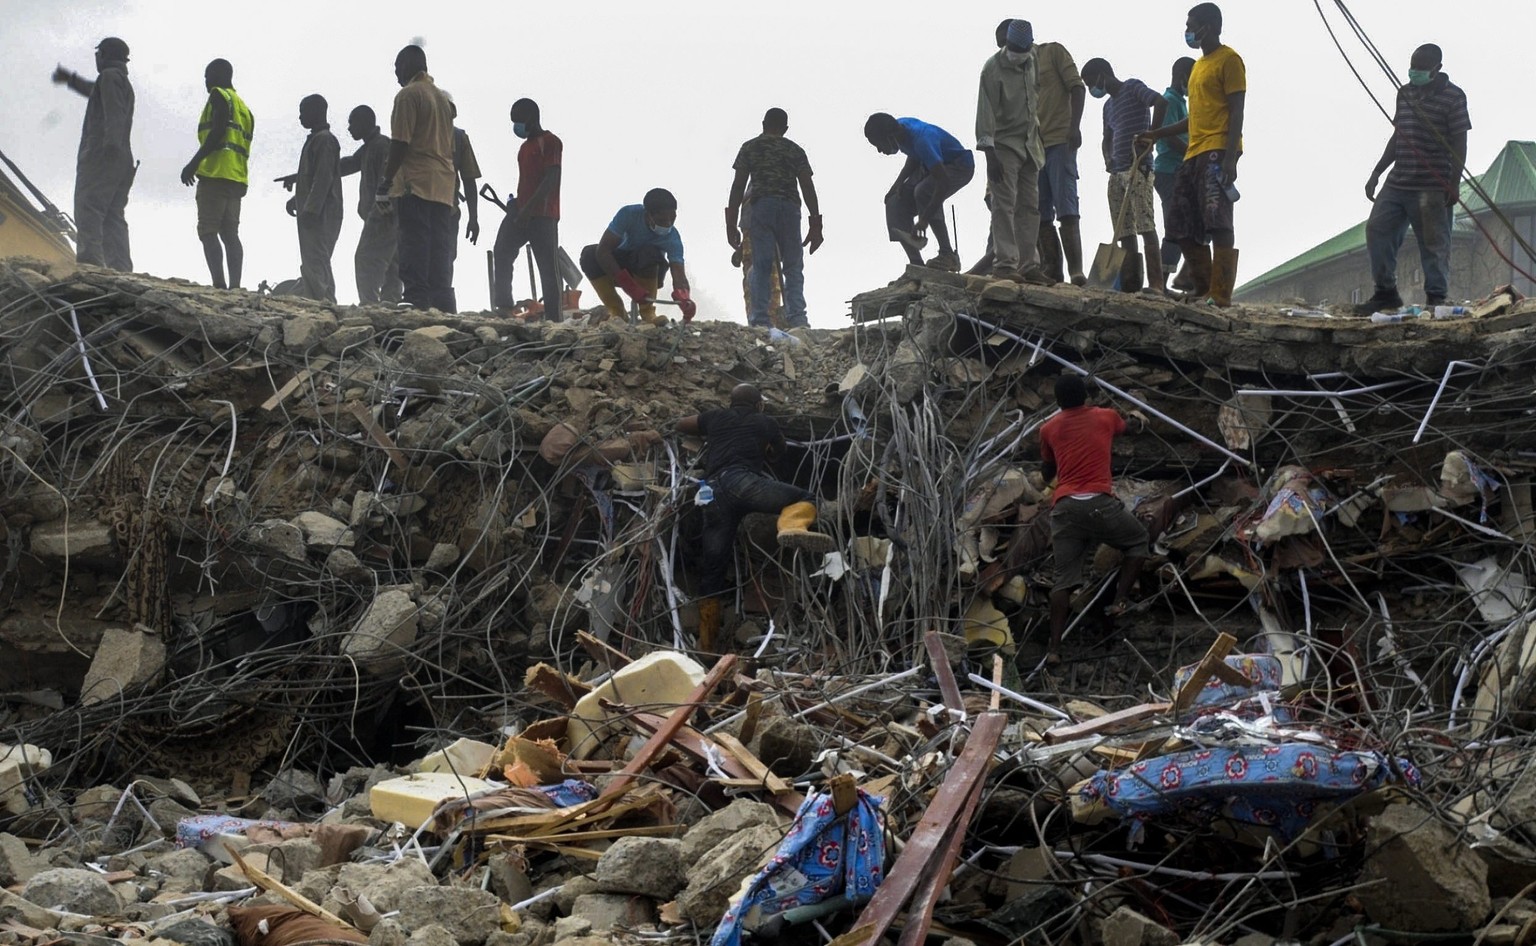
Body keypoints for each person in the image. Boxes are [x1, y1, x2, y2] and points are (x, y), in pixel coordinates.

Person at [675, 383, 834, 650]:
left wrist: (711, 433)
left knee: (712, 569)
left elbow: (682, 424)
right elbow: (778, 452)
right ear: (759, 404)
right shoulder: (765, 421)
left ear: (730, 402)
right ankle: (791, 527)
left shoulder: (715, 417)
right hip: (743, 483)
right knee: (805, 497)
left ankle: (706, 645)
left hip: (710, 492)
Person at [1139, 3, 1246, 306]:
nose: (1188, 30)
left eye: (1191, 24)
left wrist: (1230, 157)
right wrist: (1156, 134)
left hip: (1216, 151)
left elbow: (1237, 109)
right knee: (1179, 224)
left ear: (1208, 26)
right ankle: (1203, 286)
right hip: (1192, 154)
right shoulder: (1198, 67)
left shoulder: (1230, 60)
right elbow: (1194, 119)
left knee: (1218, 221)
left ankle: (1221, 294)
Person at [1038, 374, 1149, 663]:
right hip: (1100, 503)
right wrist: (1139, 417)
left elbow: (1047, 471)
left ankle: (1053, 649)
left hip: (1064, 508)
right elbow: (1130, 428)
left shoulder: (1048, 428)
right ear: (1086, 396)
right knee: (1138, 541)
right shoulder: (1106, 417)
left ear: (1058, 401)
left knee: (1063, 581)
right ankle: (1119, 601)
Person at [1356, 44, 1470, 315]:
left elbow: (1459, 143)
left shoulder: (1453, 97)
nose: (1414, 72)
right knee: (1377, 230)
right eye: (1413, 66)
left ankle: (1436, 299)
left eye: (1421, 68)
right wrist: (1377, 171)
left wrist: (1453, 183)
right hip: (1398, 182)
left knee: (1433, 243)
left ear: (1436, 69)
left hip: (1432, 185)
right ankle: (1386, 293)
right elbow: (1399, 136)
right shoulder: (1405, 93)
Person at [726, 107, 823, 327]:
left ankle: (760, 319)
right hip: (790, 208)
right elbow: (808, 186)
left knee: (762, 264)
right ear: (786, 128)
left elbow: (738, 186)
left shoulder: (750, 147)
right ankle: (798, 318)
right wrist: (816, 223)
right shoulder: (794, 150)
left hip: (762, 207)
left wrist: (731, 223)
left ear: (763, 124)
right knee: (793, 265)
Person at [379, 45, 456, 312]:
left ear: (409, 66)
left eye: (397, 68)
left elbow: (400, 142)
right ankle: (442, 302)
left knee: (414, 242)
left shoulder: (408, 95)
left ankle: (415, 299)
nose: (396, 74)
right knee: (438, 247)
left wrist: (386, 180)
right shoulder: (443, 99)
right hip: (443, 185)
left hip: (417, 182)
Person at [1080, 58, 1167, 293]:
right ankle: (1131, 284)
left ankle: (1157, 284)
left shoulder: (1132, 86)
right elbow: (1106, 138)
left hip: (1139, 167)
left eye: (1091, 83)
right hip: (1117, 172)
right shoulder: (1107, 107)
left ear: (1103, 75)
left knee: (1145, 224)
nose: (1092, 90)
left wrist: (1151, 137)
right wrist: (1107, 158)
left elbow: (1160, 102)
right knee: (1124, 230)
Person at [976, 19, 1050, 285]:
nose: (1020, 53)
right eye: (1015, 48)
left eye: (1024, 48)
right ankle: (1006, 264)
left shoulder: (1032, 60)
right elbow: (985, 115)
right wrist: (989, 156)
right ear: (1007, 44)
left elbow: (1035, 98)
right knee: (1003, 205)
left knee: (1030, 207)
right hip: (1003, 146)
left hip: (1030, 145)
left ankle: (1029, 265)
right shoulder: (992, 69)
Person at [52, 38, 136, 272]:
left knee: (88, 206)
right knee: (112, 215)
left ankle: (90, 264)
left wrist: (109, 147)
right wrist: (71, 80)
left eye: (98, 53)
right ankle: (120, 269)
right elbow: (97, 93)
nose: (96, 58)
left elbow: (113, 112)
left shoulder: (109, 77)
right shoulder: (120, 81)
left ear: (106, 54)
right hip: (122, 158)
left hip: (104, 154)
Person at [863, 113, 975, 272]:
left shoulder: (922, 139)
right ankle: (917, 265)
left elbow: (942, 182)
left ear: (889, 137)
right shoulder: (900, 130)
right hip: (930, 165)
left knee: (924, 191)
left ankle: (947, 255)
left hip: (959, 165)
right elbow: (914, 156)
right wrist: (897, 184)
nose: (880, 150)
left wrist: (924, 219)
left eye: (879, 145)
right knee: (894, 201)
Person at [179, 58, 253, 290]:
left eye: (207, 76)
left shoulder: (219, 95)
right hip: (237, 177)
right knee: (230, 233)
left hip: (215, 174)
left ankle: (219, 285)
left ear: (219, 75)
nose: (206, 82)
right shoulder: (243, 107)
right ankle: (235, 286)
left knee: (208, 230)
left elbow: (218, 132)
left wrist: (193, 163)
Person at [491, 98, 563, 322]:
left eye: (519, 121)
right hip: (520, 212)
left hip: (543, 216)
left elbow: (552, 177)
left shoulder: (551, 142)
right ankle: (504, 306)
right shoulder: (524, 148)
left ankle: (553, 320)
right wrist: (518, 207)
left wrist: (529, 208)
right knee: (502, 251)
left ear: (531, 118)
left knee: (547, 268)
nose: (516, 126)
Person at [579, 188, 695, 325]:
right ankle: (617, 313)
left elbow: (679, 275)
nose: (668, 224)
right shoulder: (629, 214)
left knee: (648, 252)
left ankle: (648, 314)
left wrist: (685, 299)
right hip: (617, 269)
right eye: (662, 220)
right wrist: (629, 286)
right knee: (589, 255)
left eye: (672, 218)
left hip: (649, 271)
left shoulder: (673, 238)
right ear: (648, 214)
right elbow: (603, 251)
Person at [1033, 31, 1087, 286]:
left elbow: (1077, 87)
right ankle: (1053, 269)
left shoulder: (1052, 52)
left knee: (1066, 204)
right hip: (1033, 149)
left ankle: (1076, 270)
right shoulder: (1013, 71)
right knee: (1039, 211)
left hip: (1059, 140)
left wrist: (1074, 127)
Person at [339, 106, 401, 305]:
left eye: (352, 123)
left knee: (366, 259)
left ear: (365, 122)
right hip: (384, 215)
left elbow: (390, 181)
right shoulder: (370, 146)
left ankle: (370, 305)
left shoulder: (381, 145)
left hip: (383, 213)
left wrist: (380, 211)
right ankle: (390, 304)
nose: (349, 128)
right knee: (391, 264)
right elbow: (349, 164)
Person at [286, 95, 343, 303]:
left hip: (321, 212)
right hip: (314, 209)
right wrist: (297, 199)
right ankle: (315, 300)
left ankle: (324, 302)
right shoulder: (316, 140)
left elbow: (323, 178)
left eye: (303, 111)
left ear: (316, 111)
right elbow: (312, 178)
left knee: (317, 258)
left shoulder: (324, 140)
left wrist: (311, 208)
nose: (300, 117)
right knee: (312, 259)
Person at [1153, 58, 1195, 292]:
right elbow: (1168, 137)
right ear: (1182, 76)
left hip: (1179, 171)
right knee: (1175, 226)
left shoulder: (1180, 102)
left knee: (1181, 225)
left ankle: (1170, 280)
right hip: (1169, 170)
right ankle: (1161, 282)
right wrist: (1193, 152)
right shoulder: (1169, 101)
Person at [441, 93, 480, 314]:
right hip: (421, 208)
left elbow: (469, 179)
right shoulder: (418, 133)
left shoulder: (458, 138)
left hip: (448, 210)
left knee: (445, 260)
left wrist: (473, 218)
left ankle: (444, 311)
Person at [734, 190, 785, 325]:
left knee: (767, 279)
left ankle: (762, 322)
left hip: (760, 230)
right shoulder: (764, 183)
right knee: (765, 279)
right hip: (758, 230)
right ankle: (764, 323)